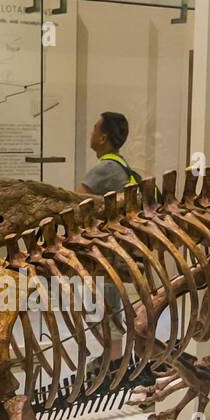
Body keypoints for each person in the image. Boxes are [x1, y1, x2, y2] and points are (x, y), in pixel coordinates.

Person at [76, 111, 142, 372]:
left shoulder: (104, 169)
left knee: (103, 307)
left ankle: (113, 362)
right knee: (107, 306)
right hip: (115, 253)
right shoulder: (123, 166)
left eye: (94, 128)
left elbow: (74, 205)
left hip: (107, 255)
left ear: (102, 137)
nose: (91, 133)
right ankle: (113, 360)